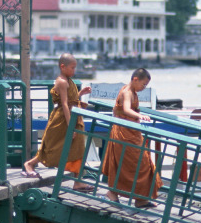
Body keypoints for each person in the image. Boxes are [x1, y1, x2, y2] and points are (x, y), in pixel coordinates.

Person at [23, 52, 92, 188]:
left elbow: (71, 100)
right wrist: (70, 125)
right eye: (72, 68)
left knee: (77, 147)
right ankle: (29, 164)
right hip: (63, 119)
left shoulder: (68, 80)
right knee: (53, 146)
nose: (74, 70)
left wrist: (80, 93)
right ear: (62, 67)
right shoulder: (61, 81)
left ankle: (78, 181)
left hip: (71, 116)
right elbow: (65, 104)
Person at [102, 67, 161, 207]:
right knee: (130, 163)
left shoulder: (133, 91)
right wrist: (140, 116)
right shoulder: (127, 92)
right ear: (135, 79)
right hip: (123, 133)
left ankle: (140, 198)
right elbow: (127, 109)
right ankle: (113, 193)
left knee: (143, 163)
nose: (144, 87)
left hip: (132, 133)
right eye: (143, 84)